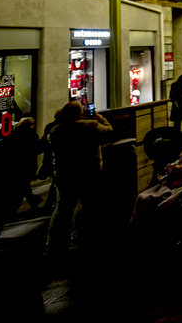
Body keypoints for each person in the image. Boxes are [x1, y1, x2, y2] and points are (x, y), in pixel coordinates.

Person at [46, 103, 113, 256]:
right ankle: (87, 240)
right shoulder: (92, 126)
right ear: (80, 112)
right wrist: (100, 118)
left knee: (65, 208)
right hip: (89, 173)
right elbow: (109, 133)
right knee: (90, 207)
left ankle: (57, 243)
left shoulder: (56, 131)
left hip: (66, 176)